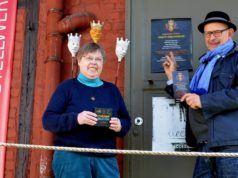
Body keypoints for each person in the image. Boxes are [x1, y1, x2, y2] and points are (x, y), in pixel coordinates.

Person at [163, 11, 238, 177]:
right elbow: (190, 100)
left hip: (229, 145)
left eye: (217, 32)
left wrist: (203, 101)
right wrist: (172, 77)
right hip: (203, 144)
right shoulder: (204, 64)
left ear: (230, 33)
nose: (212, 38)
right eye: (208, 34)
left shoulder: (236, 59)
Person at [42, 42, 131, 178]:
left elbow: (126, 121)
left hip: (105, 159)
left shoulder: (112, 90)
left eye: (98, 59)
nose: (94, 63)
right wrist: (76, 119)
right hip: (71, 158)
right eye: (89, 58)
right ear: (79, 61)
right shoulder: (67, 88)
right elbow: (48, 120)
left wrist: (120, 126)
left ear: (103, 63)